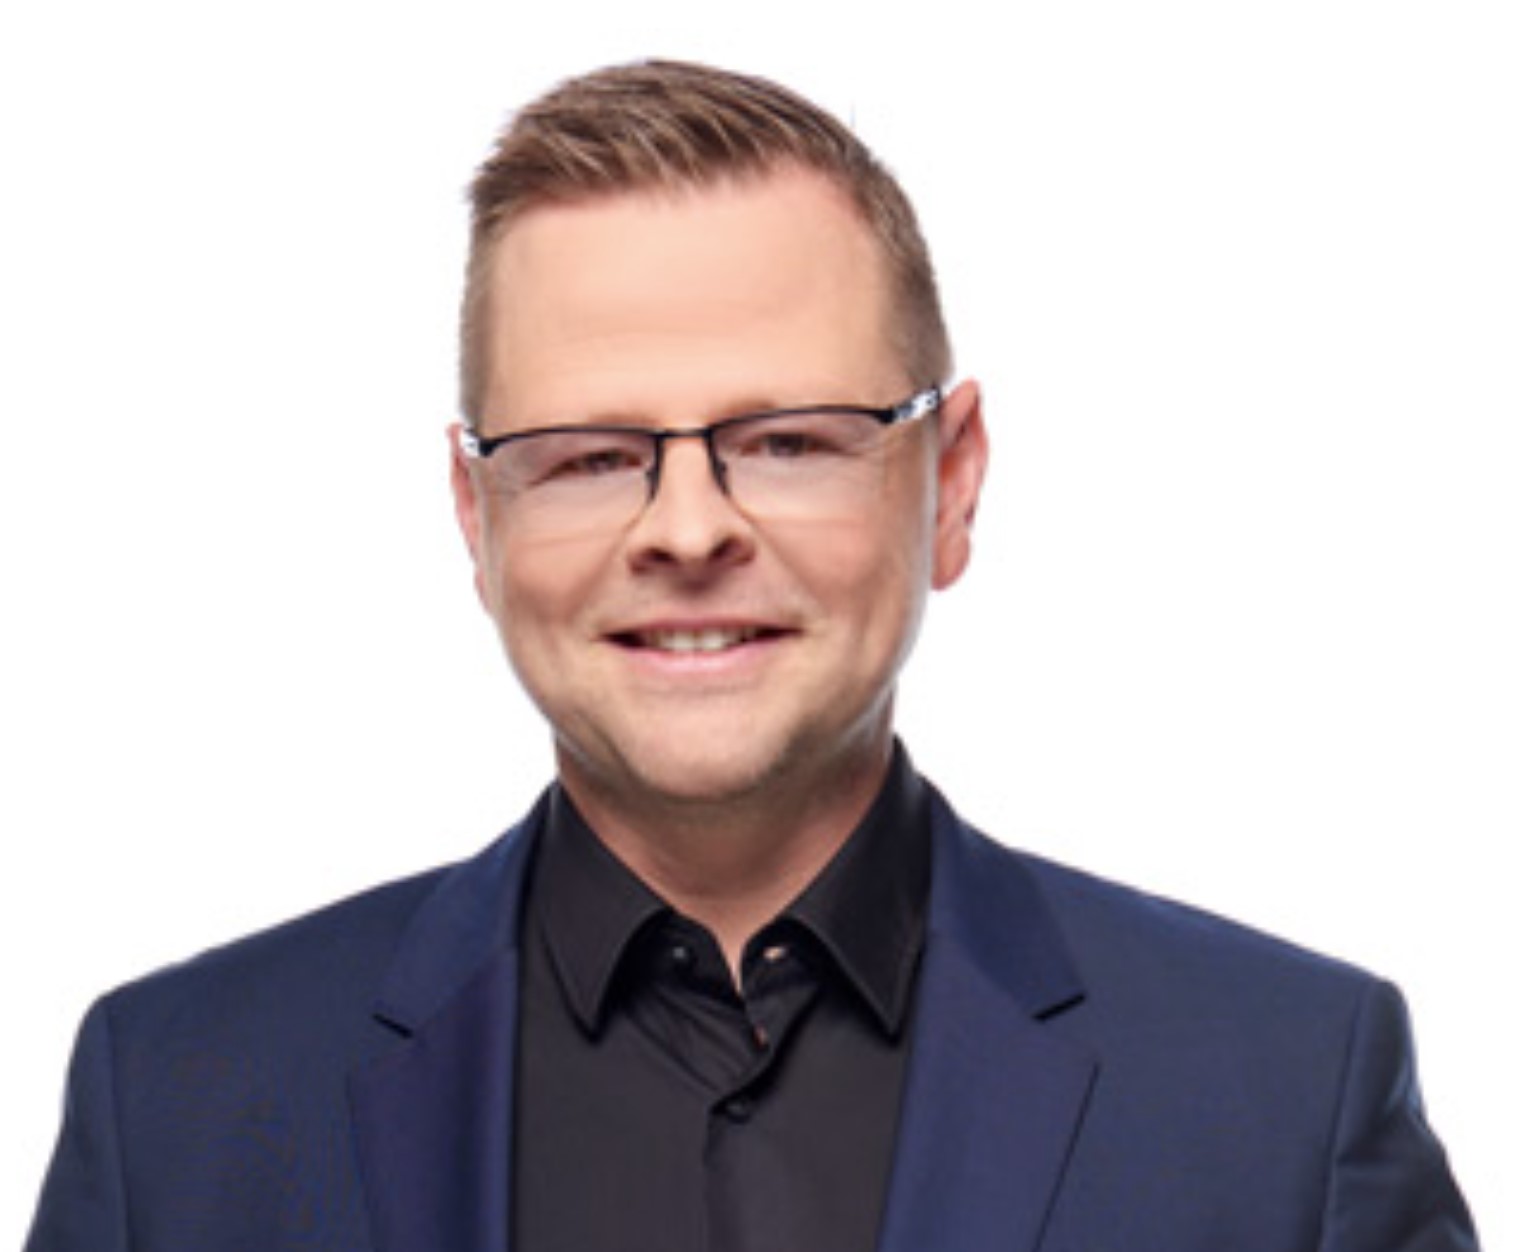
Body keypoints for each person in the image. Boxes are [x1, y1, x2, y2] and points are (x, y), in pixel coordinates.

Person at [25, 59, 1476, 1252]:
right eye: (590, 455)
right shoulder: (175, 1108)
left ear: (951, 483)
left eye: (786, 442)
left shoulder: (1290, 1100)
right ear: (477, 515)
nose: (687, 528)